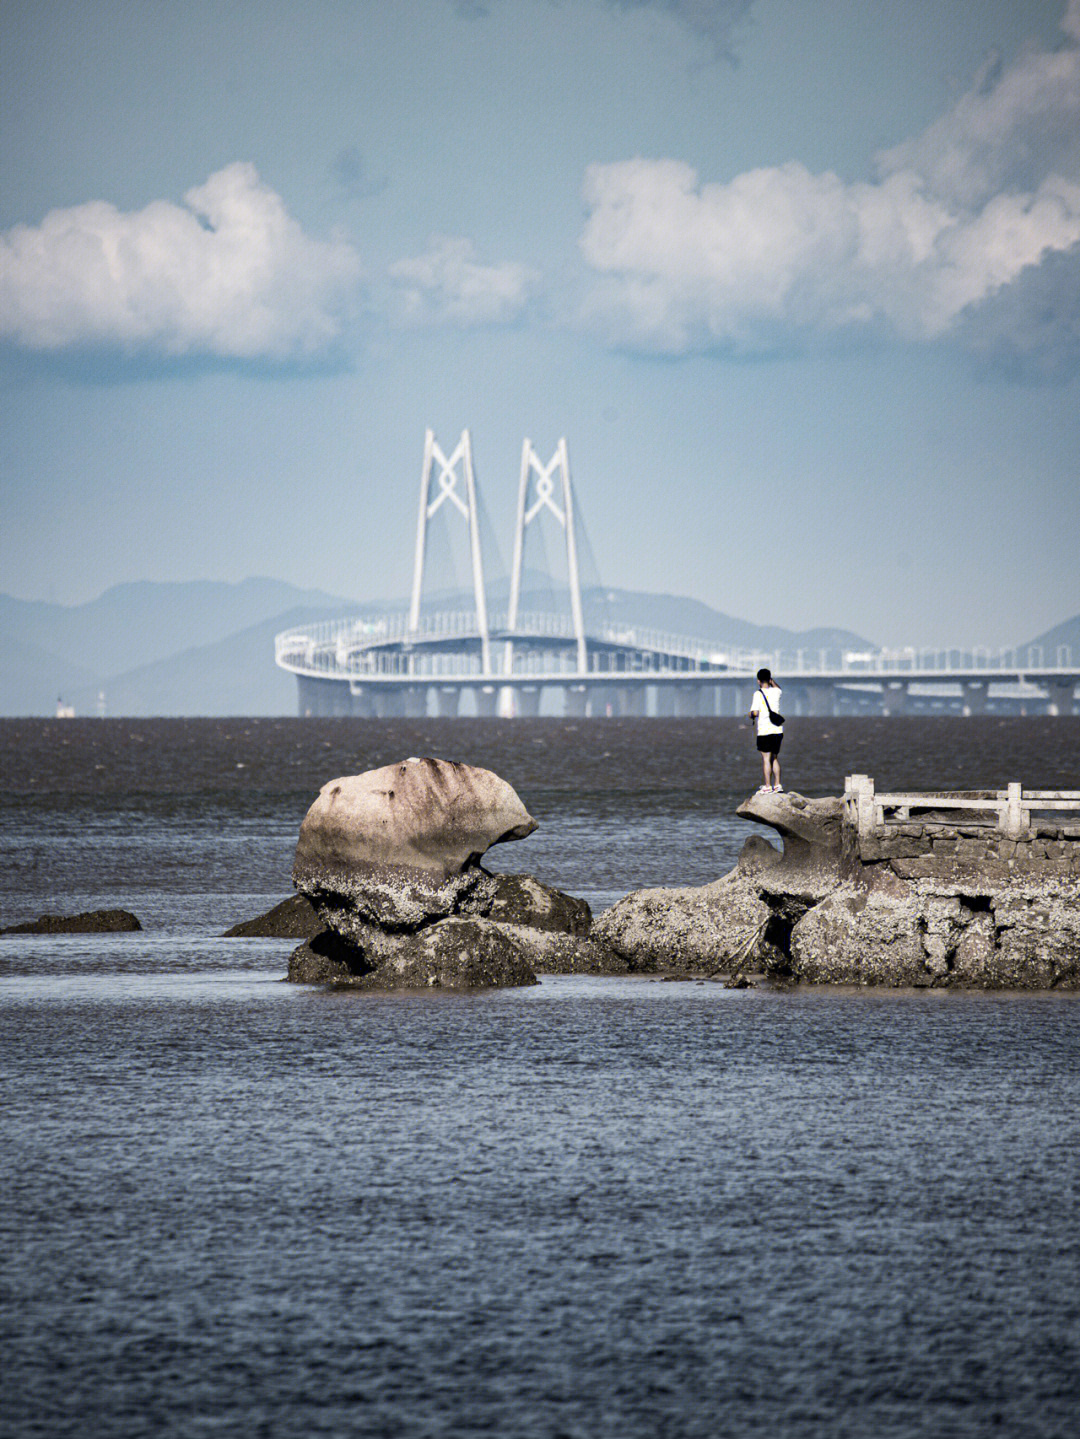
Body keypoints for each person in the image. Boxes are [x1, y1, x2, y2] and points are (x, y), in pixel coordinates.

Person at [749, 667, 784, 793]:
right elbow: (778, 688)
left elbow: (755, 712)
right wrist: (771, 681)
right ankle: (778, 785)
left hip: (764, 730)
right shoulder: (777, 692)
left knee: (766, 759)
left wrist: (750, 715)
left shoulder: (757, 694)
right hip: (777, 730)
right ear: (770, 679)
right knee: (774, 758)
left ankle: (768, 786)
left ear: (758, 681)